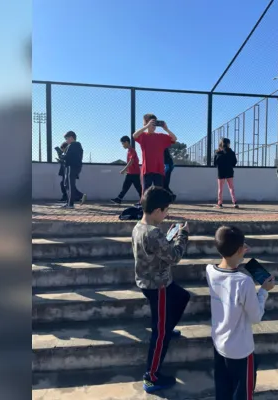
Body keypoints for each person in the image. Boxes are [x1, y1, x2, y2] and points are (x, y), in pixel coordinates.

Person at [206, 225, 276, 400]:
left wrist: (236, 256)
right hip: (241, 350)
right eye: (243, 246)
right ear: (240, 249)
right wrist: (264, 290)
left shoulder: (210, 270)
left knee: (222, 389)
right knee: (242, 393)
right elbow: (256, 316)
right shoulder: (243, 282)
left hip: (219, 342)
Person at [132, 186, 191, 393]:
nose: (167, 214)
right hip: (159, 287)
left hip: (149, 282)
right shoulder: (155, 234)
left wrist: (168, 237)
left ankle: (167, 328)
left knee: (183, 297)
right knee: (160, 334)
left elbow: (157, 248)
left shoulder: (140, 227)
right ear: (157, 210)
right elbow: (174, 257)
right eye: (166, 210)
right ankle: (152, 376)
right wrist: (182, 235)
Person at [132, 114, 177, 190]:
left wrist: (166, 129)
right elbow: (134, 135)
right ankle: (144, 202)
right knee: (146, 192)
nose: (153, 125)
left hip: (159, 169)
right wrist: (146, 126)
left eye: (155, 123)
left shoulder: (161, 136)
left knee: (158, 192)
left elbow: (174, 139)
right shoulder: (143, 136)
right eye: (151, 123)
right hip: (147, 170)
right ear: (146, 123)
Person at [111, 136, 142, 205]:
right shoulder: (129, 151)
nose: (122, 145)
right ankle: (119, 199)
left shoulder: (131, 150)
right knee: (126, 186)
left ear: (126, 142)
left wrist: (124, 170)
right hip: (131, 173)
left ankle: (143, 201)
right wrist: (127, 170)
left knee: (138, 188)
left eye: (123, 143)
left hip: (134, 173)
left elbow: (131, 161)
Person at [62, 131, 87, 208]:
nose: (66, 140)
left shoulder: (73, 145)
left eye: (67, 138)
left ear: (71, 137)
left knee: (70, 185)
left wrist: (62, 156)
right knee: (66, 184)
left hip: (72, 167)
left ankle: (70, 203)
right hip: (73, 166)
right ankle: (69, 202)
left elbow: (68, 156)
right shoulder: (76, 146)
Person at [213, 138, 238, 208]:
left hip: (221, 172)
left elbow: (215, 163)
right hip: (229, 171)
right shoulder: (232, 153)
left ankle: (220, 203)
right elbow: (234, 163)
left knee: (220, 189)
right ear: (228, 144)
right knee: (231, 187)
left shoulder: (218, 153)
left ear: (221, 144)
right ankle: (235, 202)